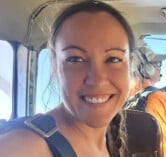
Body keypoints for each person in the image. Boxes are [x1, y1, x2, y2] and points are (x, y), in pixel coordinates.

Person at [0, 1, 135, 157]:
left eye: (113, 59)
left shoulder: (105, 141)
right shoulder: (24, 147)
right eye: (75, 59)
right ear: (55, 65)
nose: (97, 79)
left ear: (130, 65)